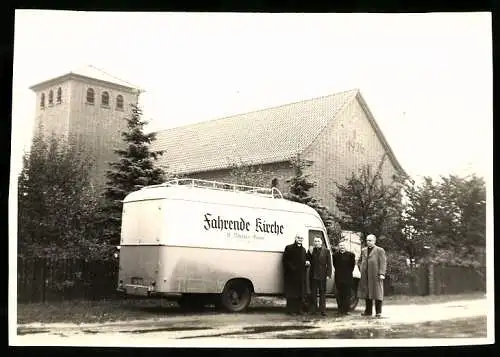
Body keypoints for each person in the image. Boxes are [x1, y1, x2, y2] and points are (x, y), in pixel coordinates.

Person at [358, 234, 387, 318]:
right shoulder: (363, 250)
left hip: (376, 275)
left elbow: (383, 262)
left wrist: (382, 273)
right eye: (367, 240)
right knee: (367, 293)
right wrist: (361, 268)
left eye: (370, 240)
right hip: (365, 275)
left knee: (377, 293)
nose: (368, 242)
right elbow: (360, 261)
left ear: (374, 241)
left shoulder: (380, 250)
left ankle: (378, 312)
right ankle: (368, 311)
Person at [282, 233, 309, 315]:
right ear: (295, 238)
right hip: (291, 275)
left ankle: (298, 310)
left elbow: (305, 260)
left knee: (300, 294)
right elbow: (285, 260)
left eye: (301, 238)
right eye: (298, 238)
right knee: (291, 294)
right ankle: (290, 311)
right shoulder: (289, 248)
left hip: (301, 275)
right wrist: (293, 269)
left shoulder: (304, 250)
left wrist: (306, 264)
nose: (300, 239)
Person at [306, 236, 332, 316]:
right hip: (313, 275)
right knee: (313, 293)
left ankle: (322, 310)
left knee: (322, 293)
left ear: (321, 242)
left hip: (322, 275)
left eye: (318, 241)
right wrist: (307, 261)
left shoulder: (326, 251)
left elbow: (329, 264)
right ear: (314, 243)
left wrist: (328, 274)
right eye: (315, 241)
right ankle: (313, 309)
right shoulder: (311, 250)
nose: (316, 242)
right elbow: (307, 258)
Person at [332, 240, 356, 316]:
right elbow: (335, 265)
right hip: (338, 277)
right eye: (340, 245)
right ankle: (339, 310)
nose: (342, 247)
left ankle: (346, 310)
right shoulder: (335, 255)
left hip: (347, 277)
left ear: (346, 246)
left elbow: (352, 266)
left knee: (347, 294)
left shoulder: (351, 255)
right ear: (339, 247)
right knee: (339, 294)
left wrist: (348, 273)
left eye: (343, 245)